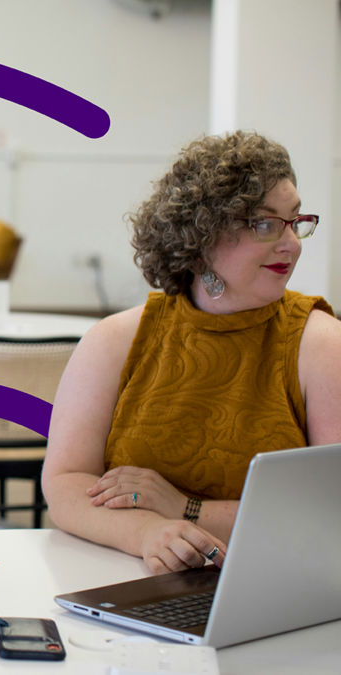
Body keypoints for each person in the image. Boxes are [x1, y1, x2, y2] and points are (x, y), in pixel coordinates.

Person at [42, 131, 341, 575]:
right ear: (201, 236)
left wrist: (186, 509)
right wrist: (146, 533)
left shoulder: (321, 345)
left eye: (294, 221)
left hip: (271, 584)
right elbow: (65, 484)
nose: (292, 243)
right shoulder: (114, 342)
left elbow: (329, 511)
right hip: (122, 580)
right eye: (264, 223)